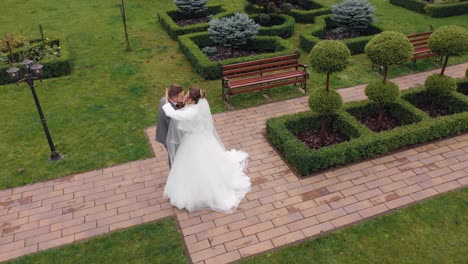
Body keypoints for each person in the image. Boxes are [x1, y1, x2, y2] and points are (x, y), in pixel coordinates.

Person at [162, 87, 251, 213]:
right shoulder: (199, 105)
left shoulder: (192, 111)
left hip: (194, 140)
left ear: (193, 100)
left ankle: (200, 192)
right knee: (208, 163)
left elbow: (173, 113)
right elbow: (183, 107)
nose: (185, 97)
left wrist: (166, 98)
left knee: (196, 164)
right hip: (204, 136)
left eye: (187, 95)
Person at [156, 84, 185, 168]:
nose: (183, 98)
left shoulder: (163, 100)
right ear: (174, 98)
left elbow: (177, 105)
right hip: (170, 138)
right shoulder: (169, 112)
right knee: (175, 157)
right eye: (182, 96)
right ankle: (174, 174)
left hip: (165, 133)